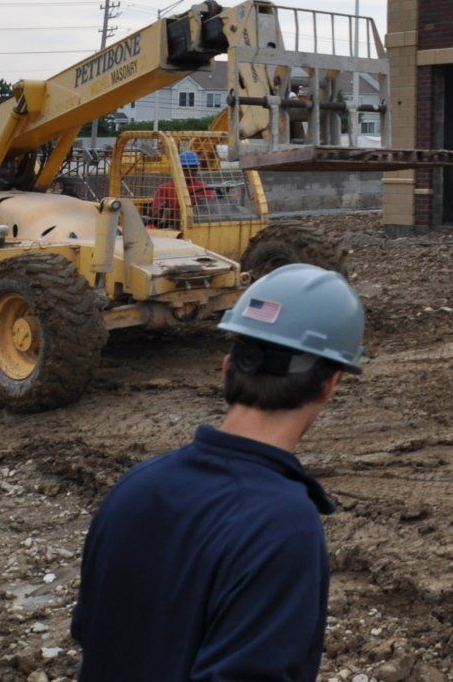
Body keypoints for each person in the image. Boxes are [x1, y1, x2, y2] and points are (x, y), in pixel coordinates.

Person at [72, 264, 365, 682]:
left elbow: (91, 632)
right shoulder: (283, 525)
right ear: (329, 384)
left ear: (228, 368)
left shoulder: (135, 487)